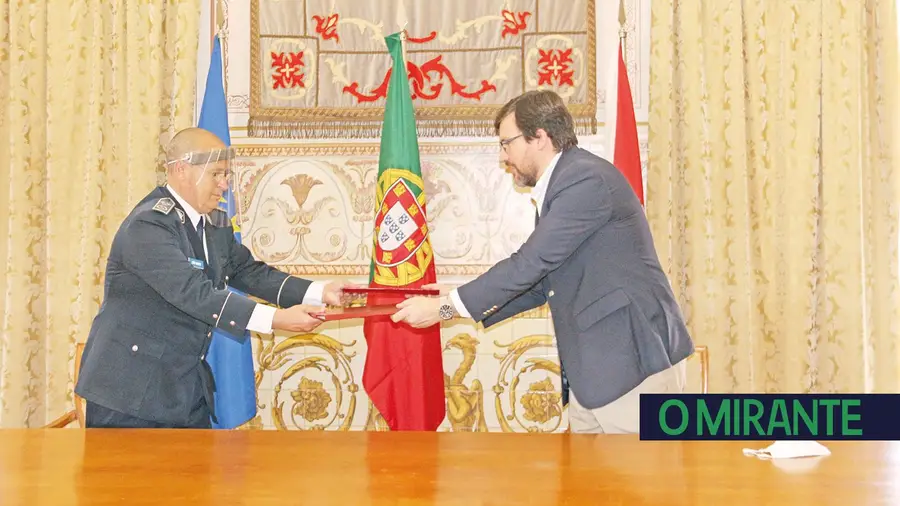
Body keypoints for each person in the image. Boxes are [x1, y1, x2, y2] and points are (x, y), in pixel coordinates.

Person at [391, 90, 694, 434]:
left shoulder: (585, 179)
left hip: (633, 366)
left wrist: (447, 308)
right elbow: (542, 282)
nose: (503, 156)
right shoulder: (565, 182)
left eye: (507, 143)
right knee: (589, 486)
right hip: (596, 374)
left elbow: (530, 263)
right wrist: (454, 294)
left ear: (540, 137)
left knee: (643, 485)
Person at [75, 127, 347, 428]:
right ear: (181, 170)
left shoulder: (214, 224)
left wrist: (321, 292)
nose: (225, 185)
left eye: (227, 175)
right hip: (130, 393)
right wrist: (277, 320)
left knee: (194, 475)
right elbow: (194, 293)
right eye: (217, 174)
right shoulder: (148, 225)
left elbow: (248, 272)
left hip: (183, 389)